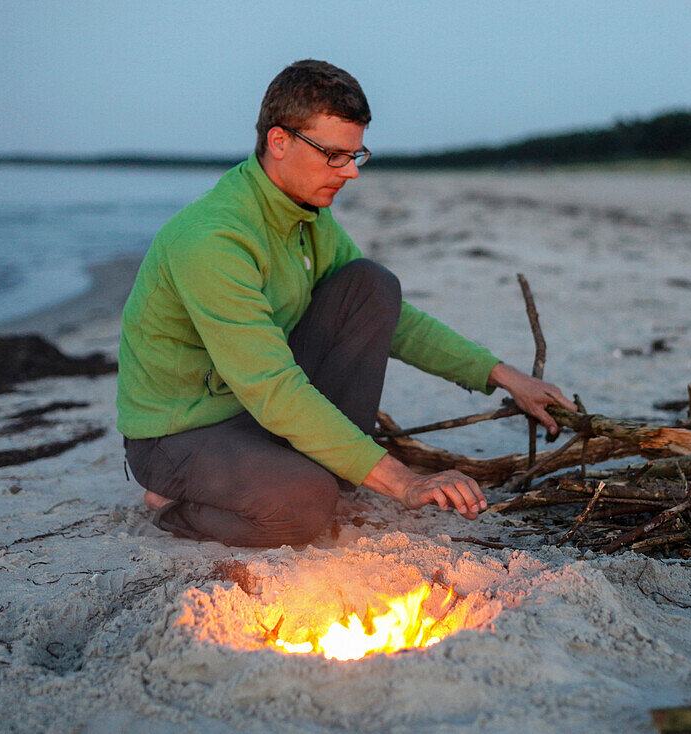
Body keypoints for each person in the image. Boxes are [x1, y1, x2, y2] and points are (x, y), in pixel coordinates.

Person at [116, 59, 574, 548]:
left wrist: (504, 376)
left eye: (357, 155)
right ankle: (169, 505)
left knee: (371, 285)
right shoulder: (212, 238)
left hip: (251, 410)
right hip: (179, 432)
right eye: (335, 155)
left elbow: (396, 323)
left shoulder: (306, 215)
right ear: (279, 142)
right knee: (304, 506)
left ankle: (321, 474)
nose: (351, 172)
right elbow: (272, 386)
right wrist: (403, 482)